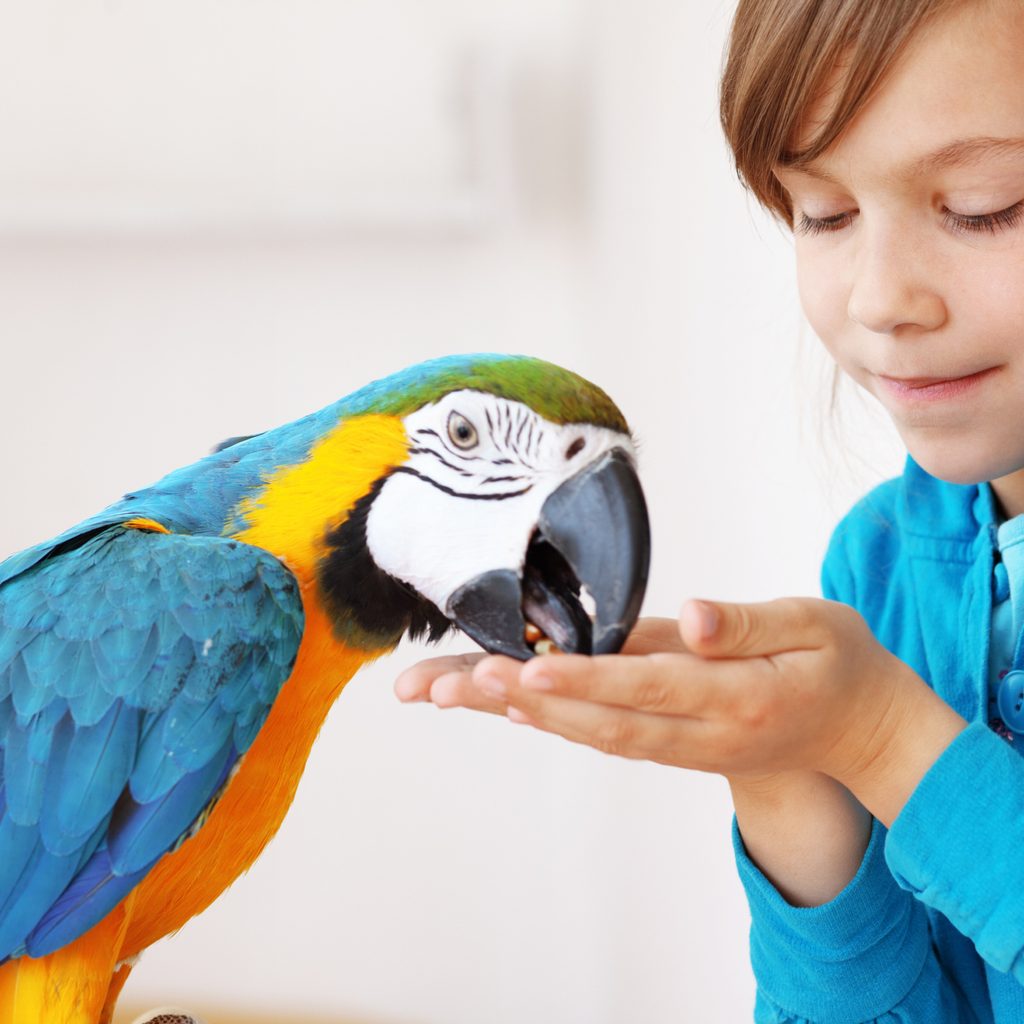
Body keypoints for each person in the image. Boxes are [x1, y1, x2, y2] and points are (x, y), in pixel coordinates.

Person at [394, 0, 1024, 1018]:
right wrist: (784, 770)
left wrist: (881, 738)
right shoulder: (877, 567)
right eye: (821, 213)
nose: (879, 297)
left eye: (984, 204)